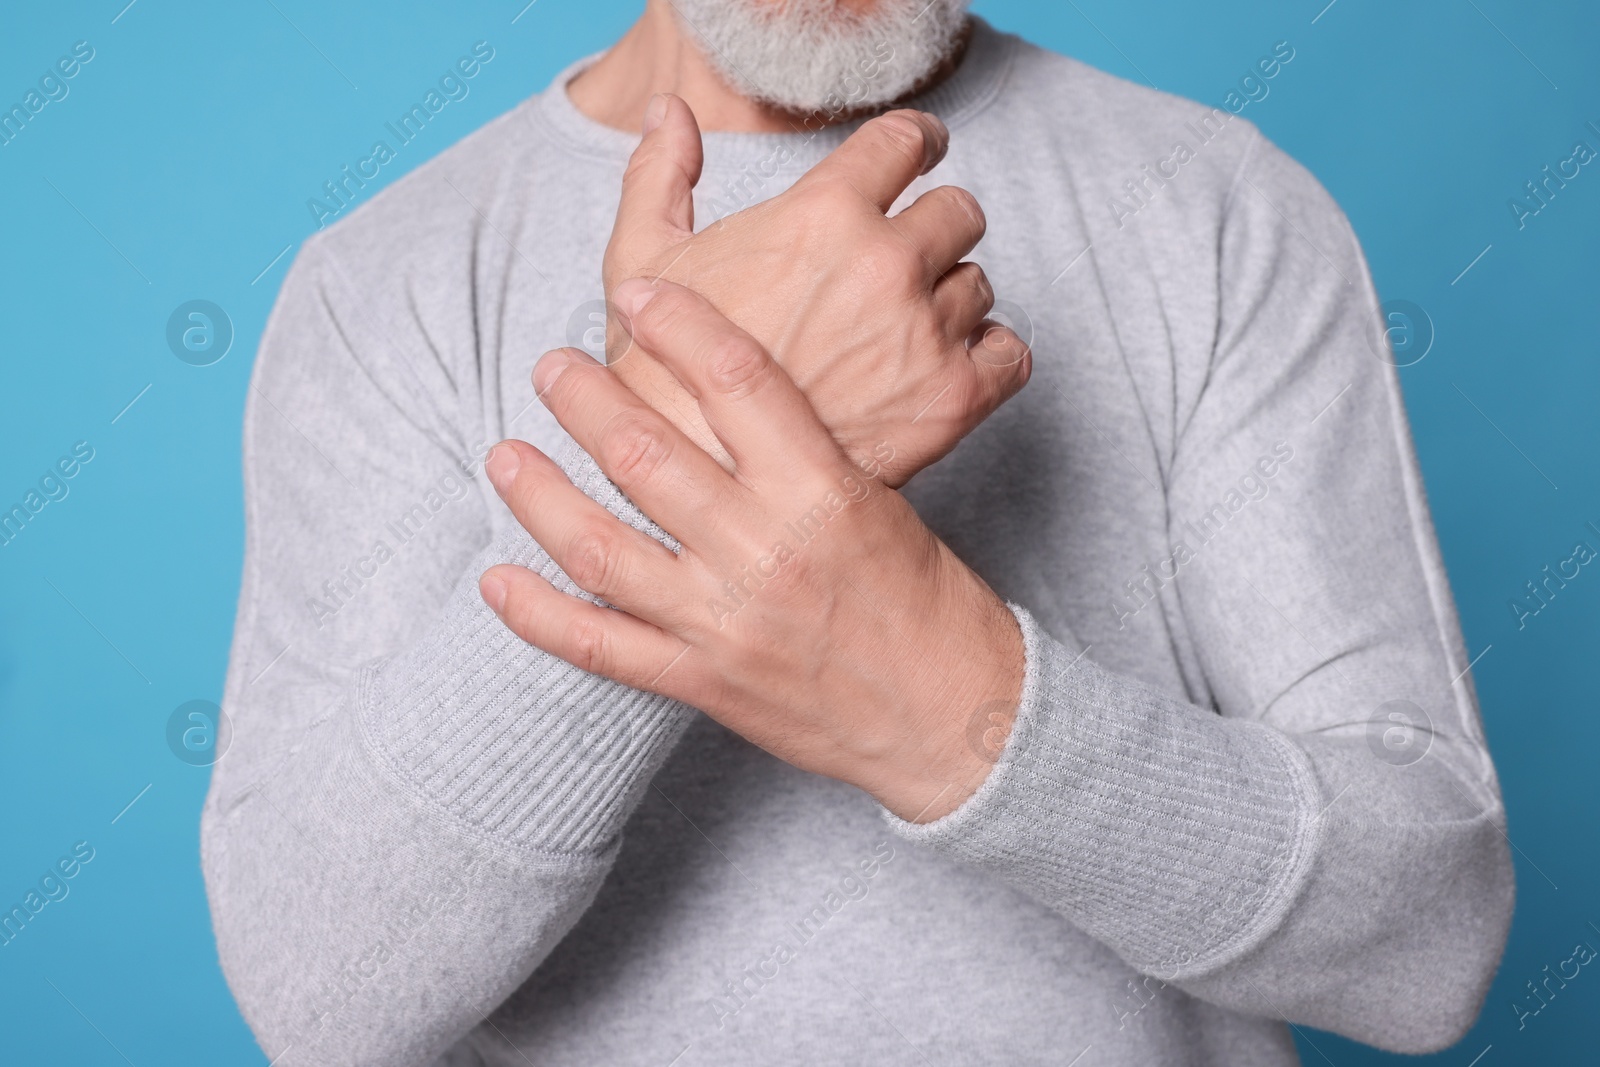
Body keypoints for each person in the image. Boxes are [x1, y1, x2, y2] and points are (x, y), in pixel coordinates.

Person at [203, 1, 1514, 1064]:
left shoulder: (1221, 209)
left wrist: (942, 695)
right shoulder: (386, 281)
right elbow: (323, 1001)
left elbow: (1427, 946)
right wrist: (698, 451)